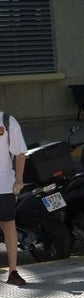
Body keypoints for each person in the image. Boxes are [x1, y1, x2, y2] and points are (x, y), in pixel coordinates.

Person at [0, 109, 27, 285]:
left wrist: (19, 179)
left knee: (8, 224)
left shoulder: (7, 121)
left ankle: (13, 271)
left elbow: (20, 152)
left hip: (4, 183)